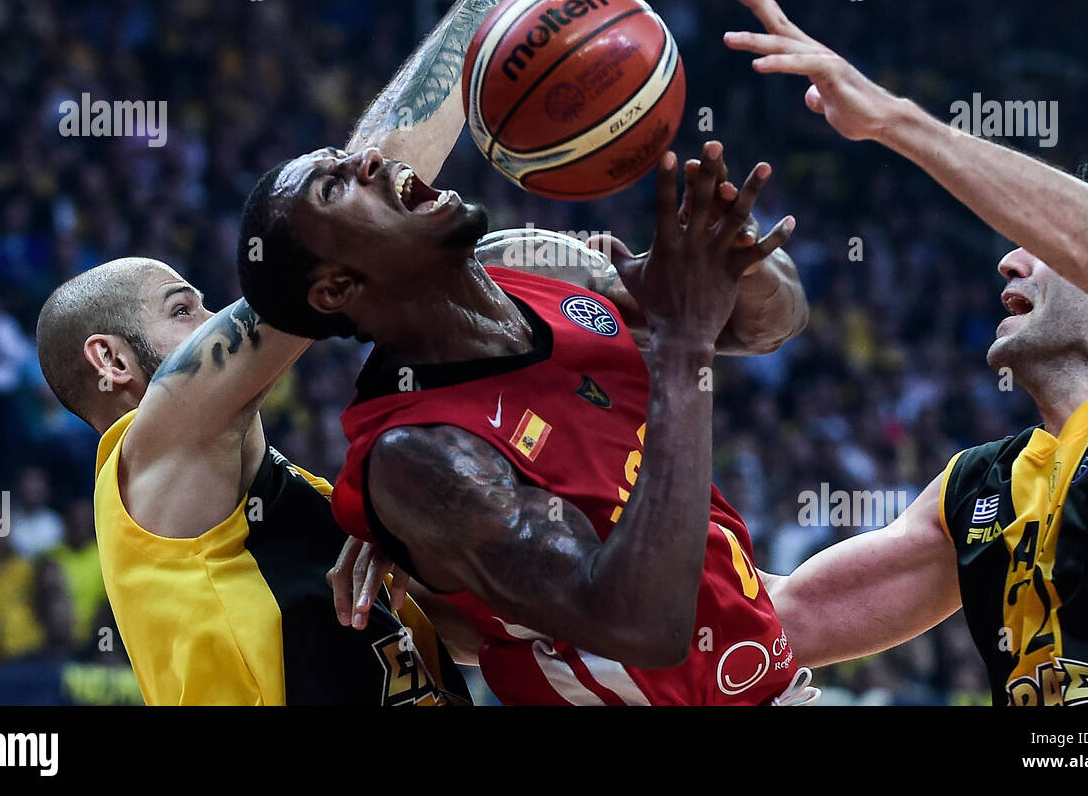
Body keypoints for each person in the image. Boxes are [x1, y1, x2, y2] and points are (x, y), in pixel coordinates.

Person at [33, 0, 587, 705]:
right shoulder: (150, 452)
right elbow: (340, 224)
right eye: (184, 309)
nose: (222, 317)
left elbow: (469, 641)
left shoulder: (309, 504)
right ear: (112, 360)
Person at [724, 0, 1088, 705]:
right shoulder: (979, 487)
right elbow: (783, 615)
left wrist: (891, 119)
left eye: (1041, 246)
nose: (1009, 261)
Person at [236, 137, 815, 706]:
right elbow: (643, 628)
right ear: (336, 288)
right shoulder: (417, 455)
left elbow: (772, 324)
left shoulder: (531, 261)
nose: (366, 158)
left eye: (347, 155)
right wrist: (685, 342)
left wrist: (733, 256)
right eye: (334, 186)